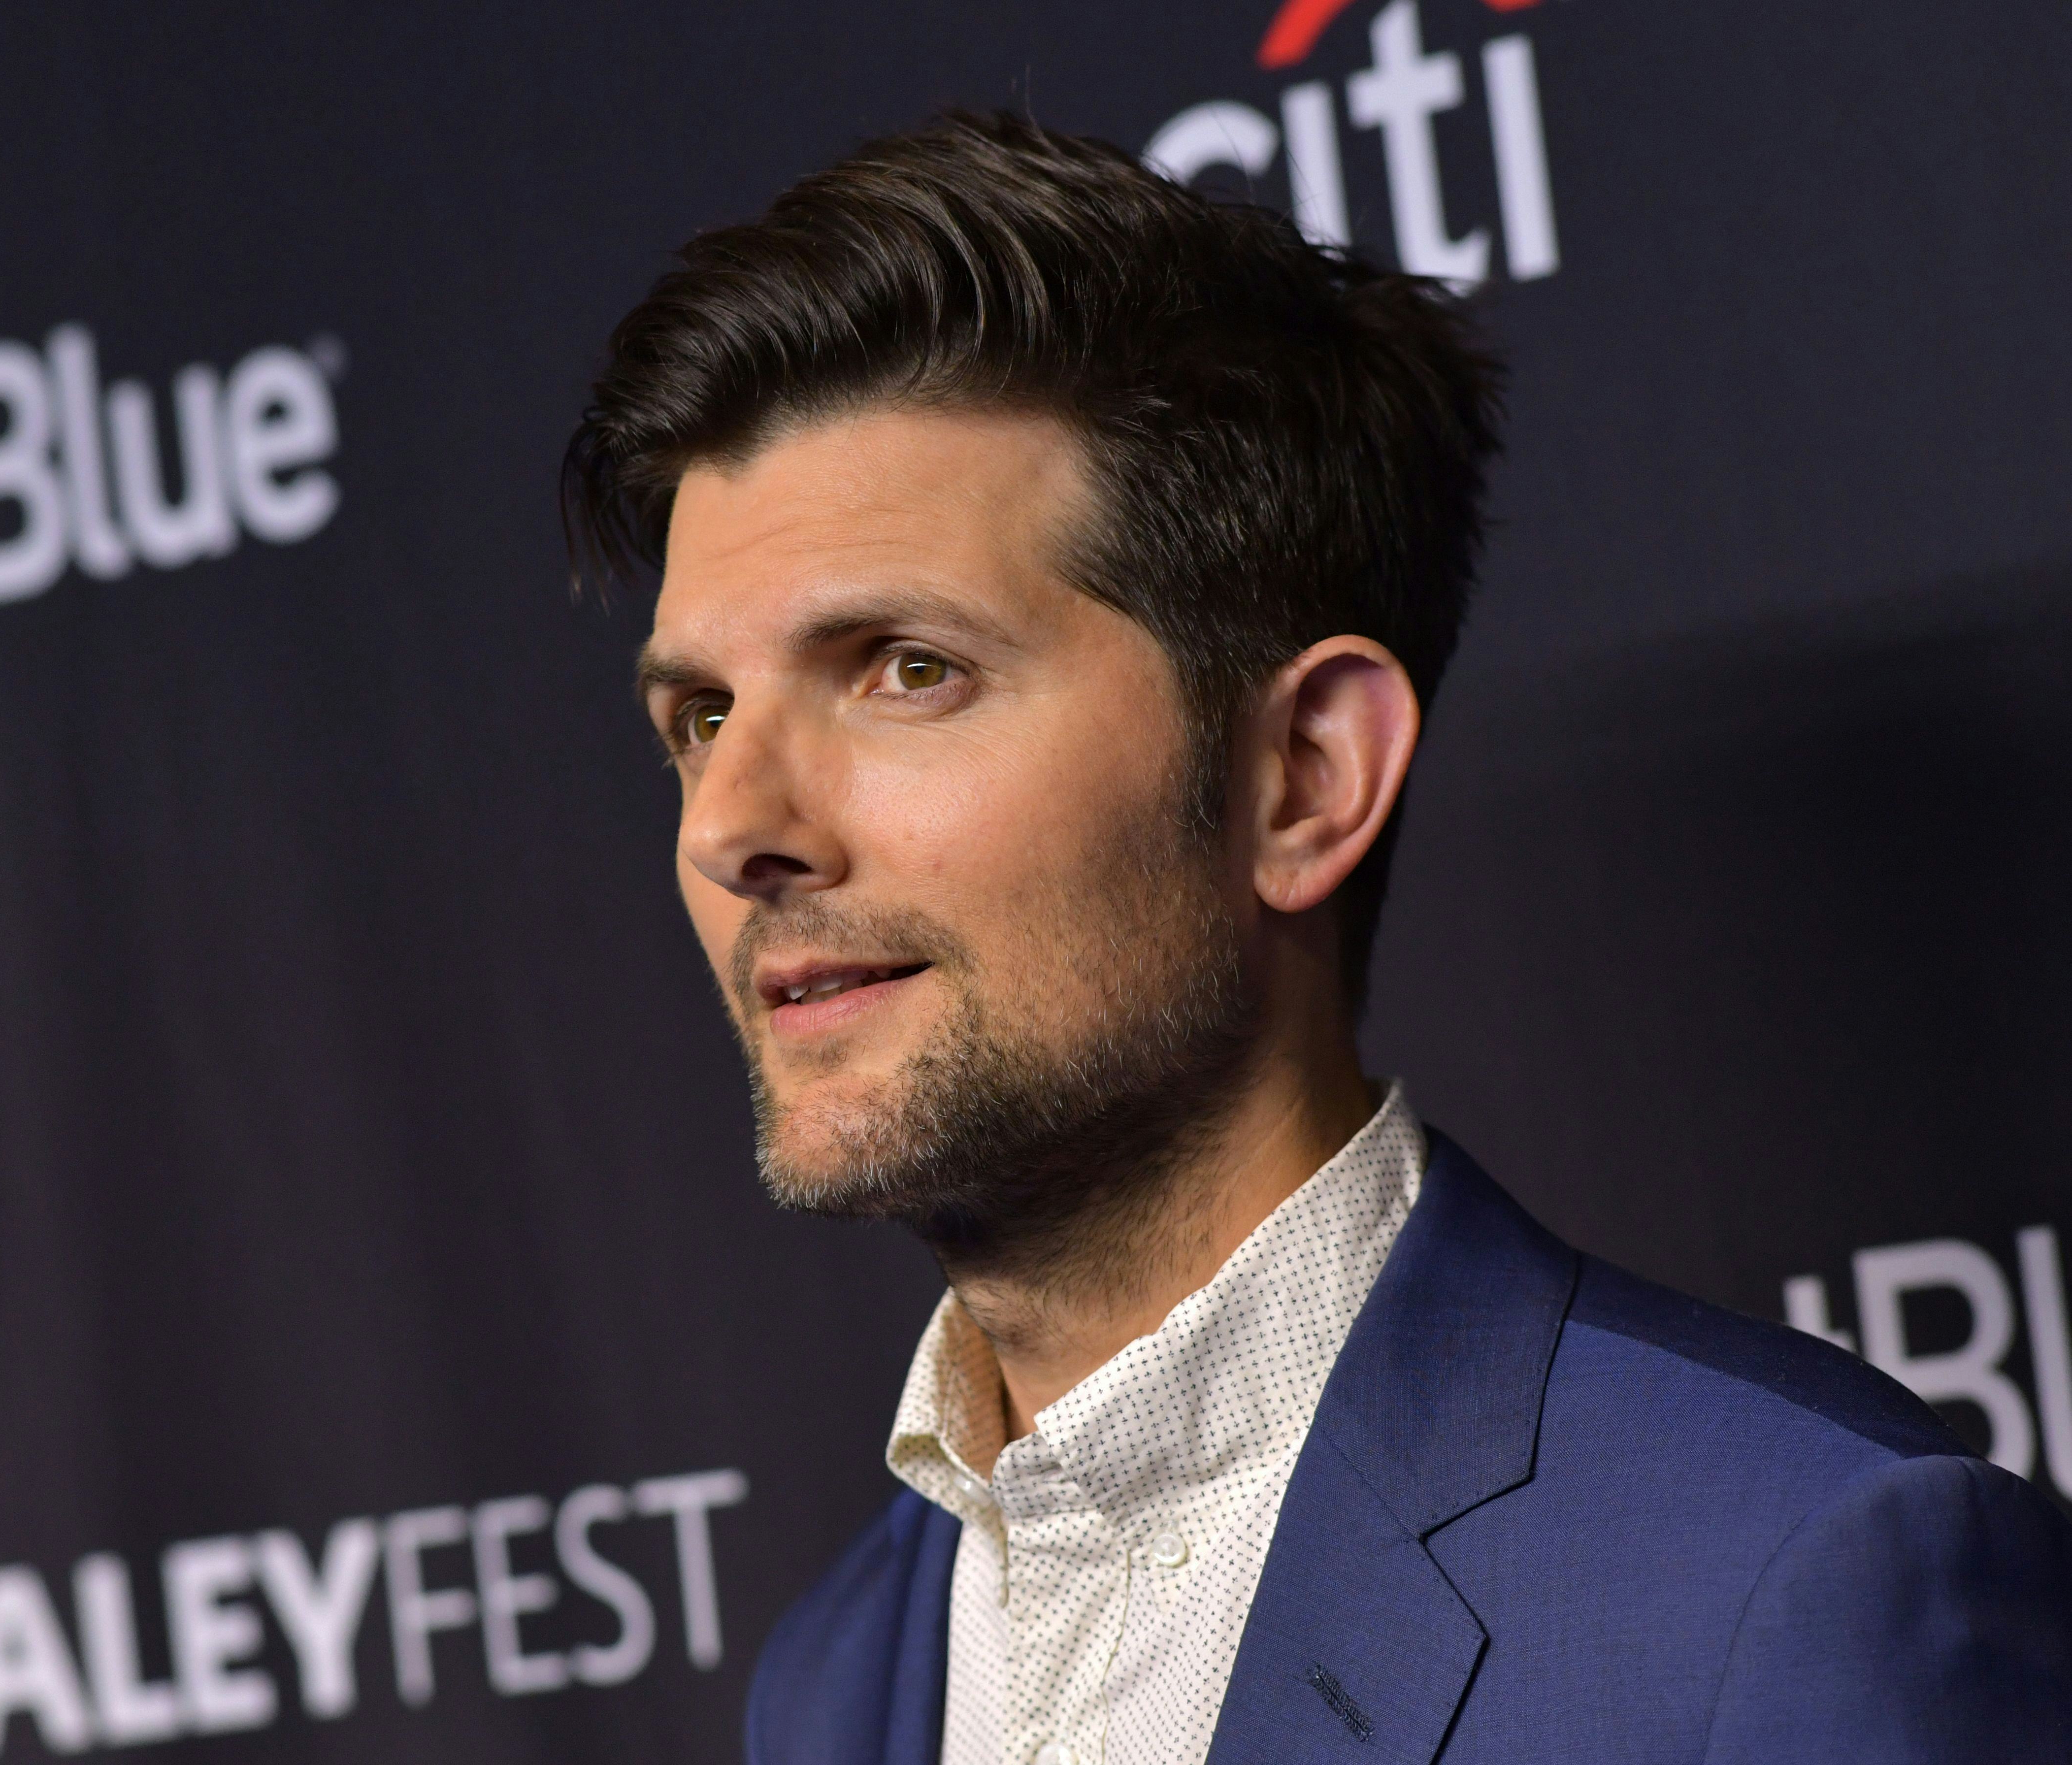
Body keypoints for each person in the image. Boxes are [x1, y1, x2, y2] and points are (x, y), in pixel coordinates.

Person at [562, 112, 2072, 1764]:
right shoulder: (837, 1678)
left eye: (907, 669)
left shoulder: (1786, 1582)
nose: (729, 826)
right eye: (700, 715)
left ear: (1303, 777)